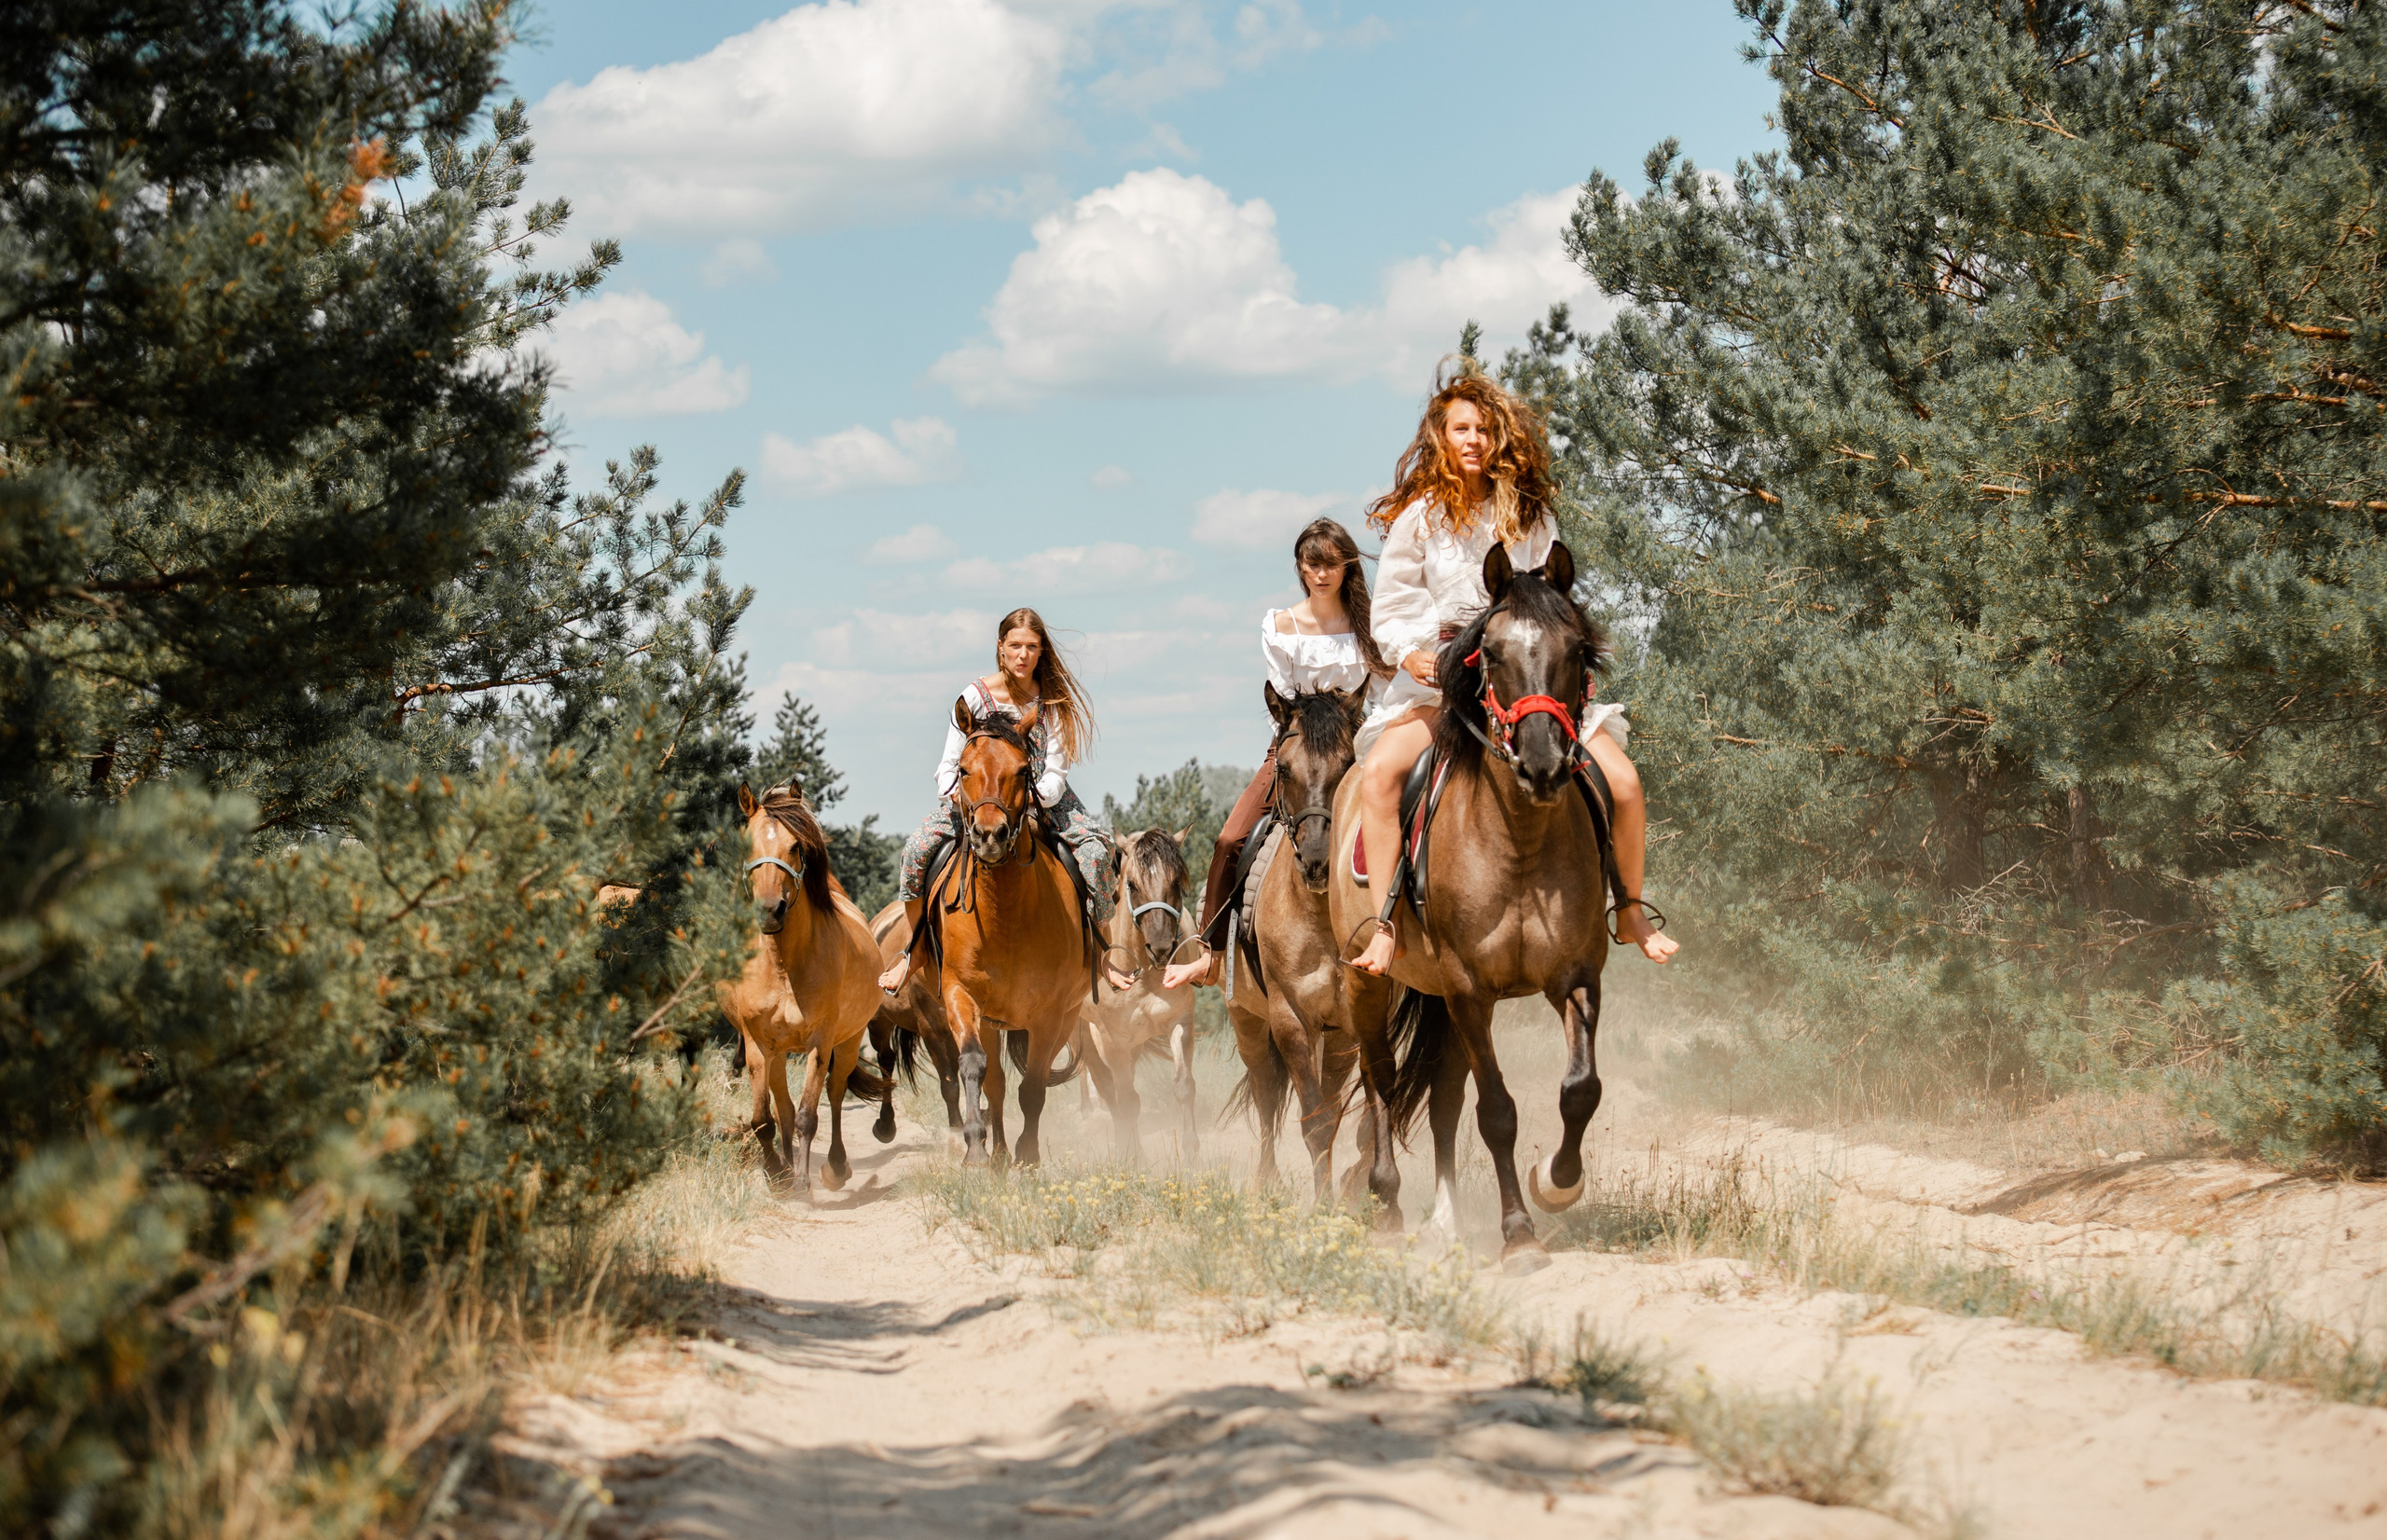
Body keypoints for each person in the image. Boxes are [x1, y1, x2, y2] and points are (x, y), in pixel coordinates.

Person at [1346, 361, 1679, 976]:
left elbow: (1550, 597)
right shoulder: (1419, 518)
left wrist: (1557, 657)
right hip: (1444, 680)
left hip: (1525, 677)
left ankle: (1630, 910)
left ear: (1497, 437)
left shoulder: (1529, 513)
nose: (1472, 440)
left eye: (1482, 429)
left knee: (1626, 783)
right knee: (1382, 775)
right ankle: (1385, 926)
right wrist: (1410, 654)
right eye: (1461, 429)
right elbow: (1389, 609)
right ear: (1441, 438)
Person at [1160, 517, 1393, 990]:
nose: (1321, 574)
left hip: (1356, 746)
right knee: (1230, 839)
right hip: (1295, 746)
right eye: (1313, 564)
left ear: (1347, 567)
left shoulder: (1371, 626)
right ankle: (1210, 951)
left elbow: (1385, 694)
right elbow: (1281, 703)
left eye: (1331, 564)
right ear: (1300, 568)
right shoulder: (1281, 625)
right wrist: (1300, 745)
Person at [877, 608, 1122, 995]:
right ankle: (917, 947)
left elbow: (1056, 770)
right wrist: (965, 797)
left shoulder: (1052, 702)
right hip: (978, 799)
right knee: (916, 850)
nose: (1023, 655)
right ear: (1000, 648)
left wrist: (1029, 799)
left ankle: (1101, 952)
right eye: (1015, 646)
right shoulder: (973, 697)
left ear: (1041, 651)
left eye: (1032, 647)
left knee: (1095, 854)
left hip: (1039, 797)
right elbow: (947, 767)